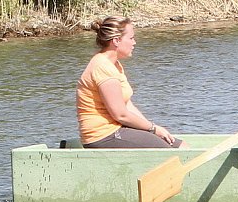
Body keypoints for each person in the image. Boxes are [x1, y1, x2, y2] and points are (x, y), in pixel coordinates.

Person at [77, 16, 181, 149]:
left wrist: (151, 127)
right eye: (131, 38)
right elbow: (120, 114)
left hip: (117, 129)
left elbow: (127, 105)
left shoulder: (115, 65)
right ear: (116, 40)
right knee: (169, 152)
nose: (134, 43)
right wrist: (153, 129)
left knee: (181, 146)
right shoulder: (102, 67)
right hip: (103, 136)